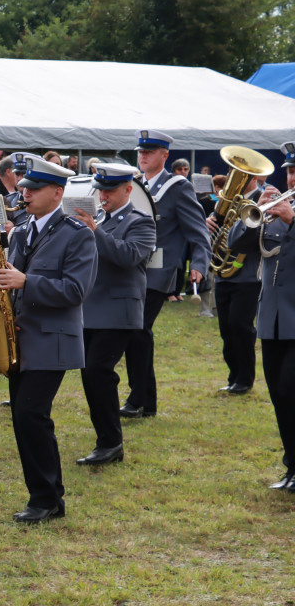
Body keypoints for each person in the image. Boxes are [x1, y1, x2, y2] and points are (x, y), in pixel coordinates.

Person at [0, 155, 97, 523]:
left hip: (53, 339)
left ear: (58, 192)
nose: (25, 195)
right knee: (24, 419)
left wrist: (26, 282)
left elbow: (75, 290)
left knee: (31, 413)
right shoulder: (21, 230)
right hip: (22, 336)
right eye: (23, 188)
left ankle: (47, 497)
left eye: (33, 189)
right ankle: (46, 496)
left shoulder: (78, 234)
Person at [121, 130, 210, 419]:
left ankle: (140, 399)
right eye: (141, 152)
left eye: (150, 152)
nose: (143, 156)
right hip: (133, 267)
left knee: (138, 330)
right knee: (136, 333)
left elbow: (198, 231)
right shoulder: (133, 184)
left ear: (164, 155)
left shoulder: (177, 187)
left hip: (160, 270)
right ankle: (145, 400)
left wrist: (199, 263)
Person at [74, 164, 156, 466]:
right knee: (91, 374)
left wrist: (94, 230)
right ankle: (107, 440)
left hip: (119, 310)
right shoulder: (97, 221)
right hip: (90, 308)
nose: (103, 196)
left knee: (97, 371)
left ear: (127, 190)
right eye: (101, 190)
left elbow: (127, 256)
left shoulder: (141, 222)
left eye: (109, 190)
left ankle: (110, 443)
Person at [229, 142, 295, 491]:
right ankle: (292, 466)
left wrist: (291, 219)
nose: (292, 177)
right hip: (273, 317)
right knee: (279, 395)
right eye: (290, 171)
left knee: (290, 387)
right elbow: (237, 244)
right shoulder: (278, 203)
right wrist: (257, 211)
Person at [208, 174, 262, 394]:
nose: (234, 176)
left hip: (248, 274)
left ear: (258, 176)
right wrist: (209, 221)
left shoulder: (263, 198)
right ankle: (234, 376)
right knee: (226, 329)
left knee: (240, 325)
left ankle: (245, 378)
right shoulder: (228, 201)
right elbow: (218, 227)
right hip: (224, 273)